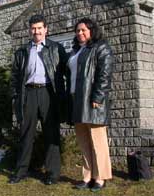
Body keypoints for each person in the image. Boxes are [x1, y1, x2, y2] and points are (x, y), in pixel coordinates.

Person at [9, 14, 67, 185]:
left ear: (46, 29)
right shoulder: (22, 51)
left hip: (49, 93)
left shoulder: (56, 48)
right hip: (29, 94)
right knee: (26, 135)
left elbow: (66, 71)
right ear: (30, 30)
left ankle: (52, 174)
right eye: (33, 28)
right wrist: (15, 95)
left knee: (51, 133)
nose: (36, 31)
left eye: (40, 28)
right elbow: (14, 76)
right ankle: (20, 172)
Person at [67, 18, 113, 192]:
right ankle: (87, 176)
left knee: (97, 141)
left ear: (92, 30)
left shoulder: (101, 47)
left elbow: (105, 74)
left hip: (92, 100)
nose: (80, 33)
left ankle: (100, 178)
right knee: (84, 141)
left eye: (83, 30)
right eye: (78, 31)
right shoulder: (76, 50)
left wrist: (98, 97)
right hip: (76, 99)